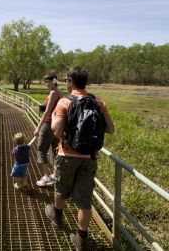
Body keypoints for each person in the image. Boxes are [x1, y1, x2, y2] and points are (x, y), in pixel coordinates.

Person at [45, 67, 115, 251]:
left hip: (67, 155)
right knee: (84, 201)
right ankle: (81, 239)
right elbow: (111, 129)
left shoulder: (64, 102)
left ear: (70, 82)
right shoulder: (98, 102)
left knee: (60, 189)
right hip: (90, 157)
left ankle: (57, 216)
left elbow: (57, 131)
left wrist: (56, 119)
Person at [34, 70, 62, 187]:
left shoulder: (53, 93)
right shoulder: (58, 92)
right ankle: (55, 175)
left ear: (54, 81)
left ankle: (46, 177)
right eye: (45, 81)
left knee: (41, 149)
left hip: (48, 124)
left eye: (48, 81)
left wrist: (38, 127)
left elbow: (47, 112)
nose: (46, 83)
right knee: (55, 150)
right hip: (56, 125)